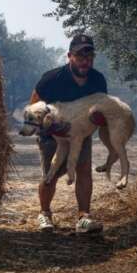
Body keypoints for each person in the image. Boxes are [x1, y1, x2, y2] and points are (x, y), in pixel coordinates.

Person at [29, 34, 107, 234]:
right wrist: (51, 128)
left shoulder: (97, 80)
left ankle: (83, 217)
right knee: (51, 174)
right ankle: (45, 214)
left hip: (80, 134)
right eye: (80, 56)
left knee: (83, 170)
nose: (85, 61)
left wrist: (99, 119)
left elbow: (101, 108)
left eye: (89, 57)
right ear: (69, 56)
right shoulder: (52, 79)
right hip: (51, 134)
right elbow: (33, 107)